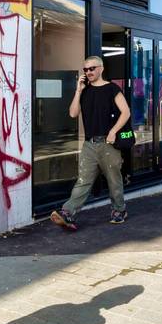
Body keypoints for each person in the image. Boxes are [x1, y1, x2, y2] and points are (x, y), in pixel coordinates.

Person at [50, 55, 131, 229]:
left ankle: (119, 210)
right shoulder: (85, 91)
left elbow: (126, 112)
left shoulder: (112, 89)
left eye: (92, 68)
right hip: (89, 144)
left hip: (109, 143)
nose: (88, 72)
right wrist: (78, 91)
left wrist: (113, 131)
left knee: (114, 180)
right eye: (85, 69)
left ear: (101, 69)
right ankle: (68, 212)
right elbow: (73, 113)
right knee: (83, 180)